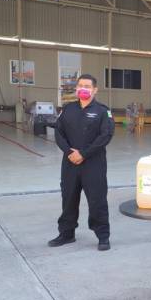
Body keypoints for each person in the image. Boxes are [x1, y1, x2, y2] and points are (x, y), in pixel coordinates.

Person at [49, 74, 115, 251]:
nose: (83, 89)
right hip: (70, 163)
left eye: (87, 86)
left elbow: (106, 135)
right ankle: (66, 234)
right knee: (68, 199)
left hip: (93, 164)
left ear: (95, 90)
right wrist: (69, 152)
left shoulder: (102, 111)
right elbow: (59, 132)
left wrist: (84, 154)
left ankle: (103, 236)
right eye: (80, 85)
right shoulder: (68, 109)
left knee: (97, 200)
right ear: (76, 88)